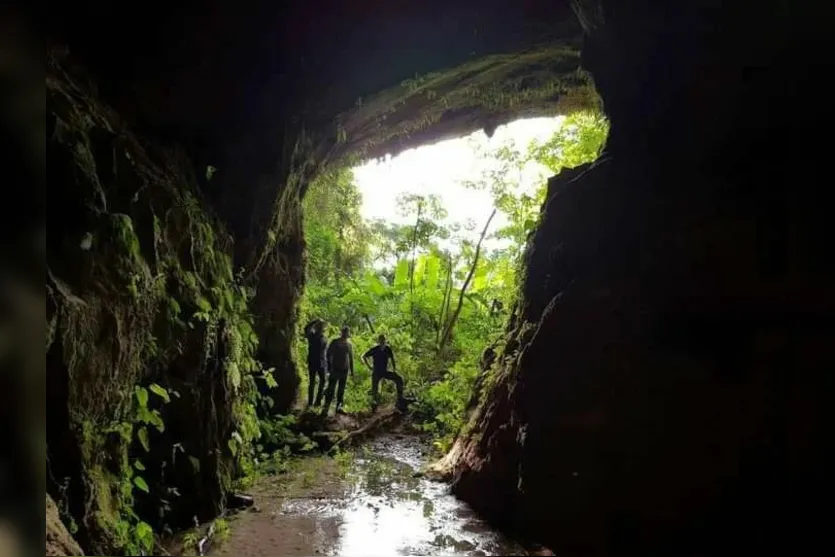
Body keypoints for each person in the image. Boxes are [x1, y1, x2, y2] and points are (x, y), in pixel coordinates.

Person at [362, 334, 405, 411]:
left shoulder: (388, 349)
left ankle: (400, 399)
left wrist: (394, 370)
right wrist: (369, 366)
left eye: (383, 340)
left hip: (385, 372)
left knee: (399, 379)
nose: (382, 342)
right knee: (374, 390)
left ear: (385, 341)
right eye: (381, 340)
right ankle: (374, 407)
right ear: (379, 341)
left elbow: (392, 360)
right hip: (376, 372)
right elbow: (364, 356)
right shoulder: (375, 349)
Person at [321, 326, 354, 416]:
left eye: (347, 332)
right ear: (341, 332)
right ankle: (326, 408)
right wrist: (330, 367)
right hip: (335, 368)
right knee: (331, 388)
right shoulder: (335, 342)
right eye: (344, 332)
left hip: (345, 370)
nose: (346, 334)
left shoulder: (349, 344)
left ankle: (339, 407)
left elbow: (351, 358)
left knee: (341, 389)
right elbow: (329, 354)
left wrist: (352, 370)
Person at [302, 318, 328, 407]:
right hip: (312, 361)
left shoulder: (324, 338)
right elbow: (306, 329)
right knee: (312, 382)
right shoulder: (312, 335)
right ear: (316, 327)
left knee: (323, 381)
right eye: (319, 326)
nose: (321, 328)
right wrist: (315, 321)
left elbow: (325, 352)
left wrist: (327, 364)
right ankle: (310, 402)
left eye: (322, 327)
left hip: (322, 363)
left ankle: (317, 402)